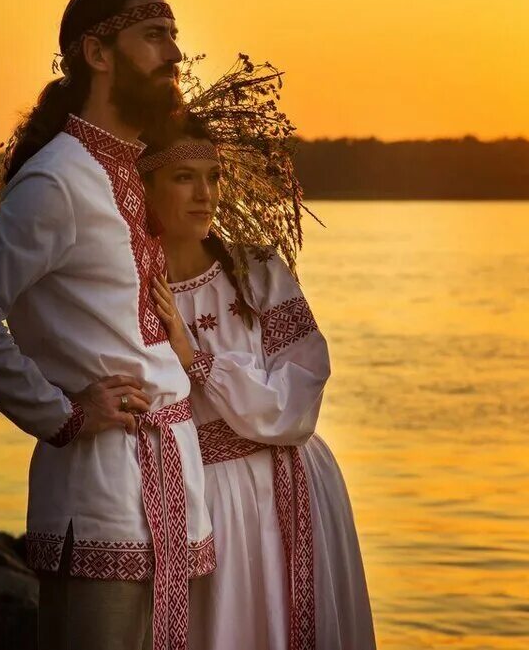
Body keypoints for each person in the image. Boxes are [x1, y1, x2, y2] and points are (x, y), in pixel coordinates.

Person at [0, 0, 213, 650]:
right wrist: (62, 412)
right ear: (98, 53)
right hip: (103, 495)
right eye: (154, 35)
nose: (173, 54)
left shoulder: (133, 174)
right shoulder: (58, 179)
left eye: (174, 36)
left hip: (174, 496)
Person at [138, 92, 377, 650]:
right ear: (143, 188)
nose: (205, 195)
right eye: (184, 178)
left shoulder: (257, 272)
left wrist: (198, 361)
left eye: (214, 176)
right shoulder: (127, 290)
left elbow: (297, 402)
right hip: (196, 497)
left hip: (284, 484)